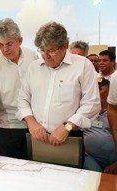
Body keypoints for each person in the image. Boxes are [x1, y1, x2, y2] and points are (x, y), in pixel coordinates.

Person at [16, 21, 100, 169]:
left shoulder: (83, 65)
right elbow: (23, 98)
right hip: (37, 137)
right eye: (42, 50)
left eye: (51, 51)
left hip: (68, 138)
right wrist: (31, 122)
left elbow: (91, 103)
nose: (46, 56)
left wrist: (67, 127)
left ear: (64, 46)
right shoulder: (34, 67)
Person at [0, 18, 39, 161]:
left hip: (36, 124)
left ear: (20, 40)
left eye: (9, 44)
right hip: (8, 127)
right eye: (0, 45)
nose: (5, 50)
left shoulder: (32, 55)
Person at [84, 78, 117, 171]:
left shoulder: (115, 113)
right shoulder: (86, 110)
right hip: (90, 157)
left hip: (113, 161)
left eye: (99, 88)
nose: (94, 92)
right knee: (95, 175)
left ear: (110, 91)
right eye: (93, 89)